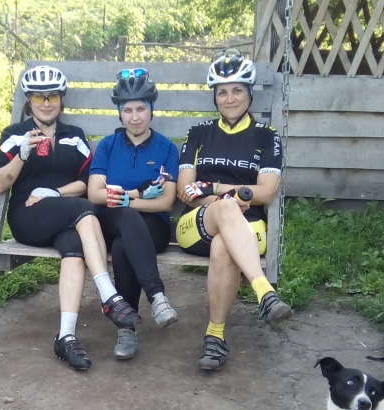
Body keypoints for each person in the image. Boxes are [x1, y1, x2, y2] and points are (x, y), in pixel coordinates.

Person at [0, 65, 140, 371]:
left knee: (75, 249)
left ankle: (66, 336)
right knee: (84, 209)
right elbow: (0, 183)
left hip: (64, 214)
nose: (46, 103)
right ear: (29, 101)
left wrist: (55, 192)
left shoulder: (74, 136)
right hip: (28, 216)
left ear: (61, 99)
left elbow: (85, 183)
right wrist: (21, 155)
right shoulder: (14, 135)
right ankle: (109, 295)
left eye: (53, 96)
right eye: (39, 97)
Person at [175, 49, 294, 371]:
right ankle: (264, 292)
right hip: (195, 224)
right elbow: (185, 190)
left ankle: (215, 336)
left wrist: (213, 187)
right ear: (215, 97)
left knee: (223, 247)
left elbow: (266, 192)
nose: (230, 99)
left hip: (248, 227)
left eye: (237, 90)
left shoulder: (266, 137)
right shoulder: (198, 134)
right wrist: (226, 198)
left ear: (249, 94)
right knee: (227, 208)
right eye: (222, 92)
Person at [87, 69, 180, 360]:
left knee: (122, 246)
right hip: (110, 220)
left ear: (151, 110)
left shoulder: (167, 148)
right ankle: (157, 297)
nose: (135, 117)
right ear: (119, 113)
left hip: (154, 227)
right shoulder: (107, 145)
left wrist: (126, 199)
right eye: (127, 110)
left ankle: (126, 327)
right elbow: (94, 194)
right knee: (124, 219)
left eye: (141, 109)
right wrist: (135, 196)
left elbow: (166, 202)